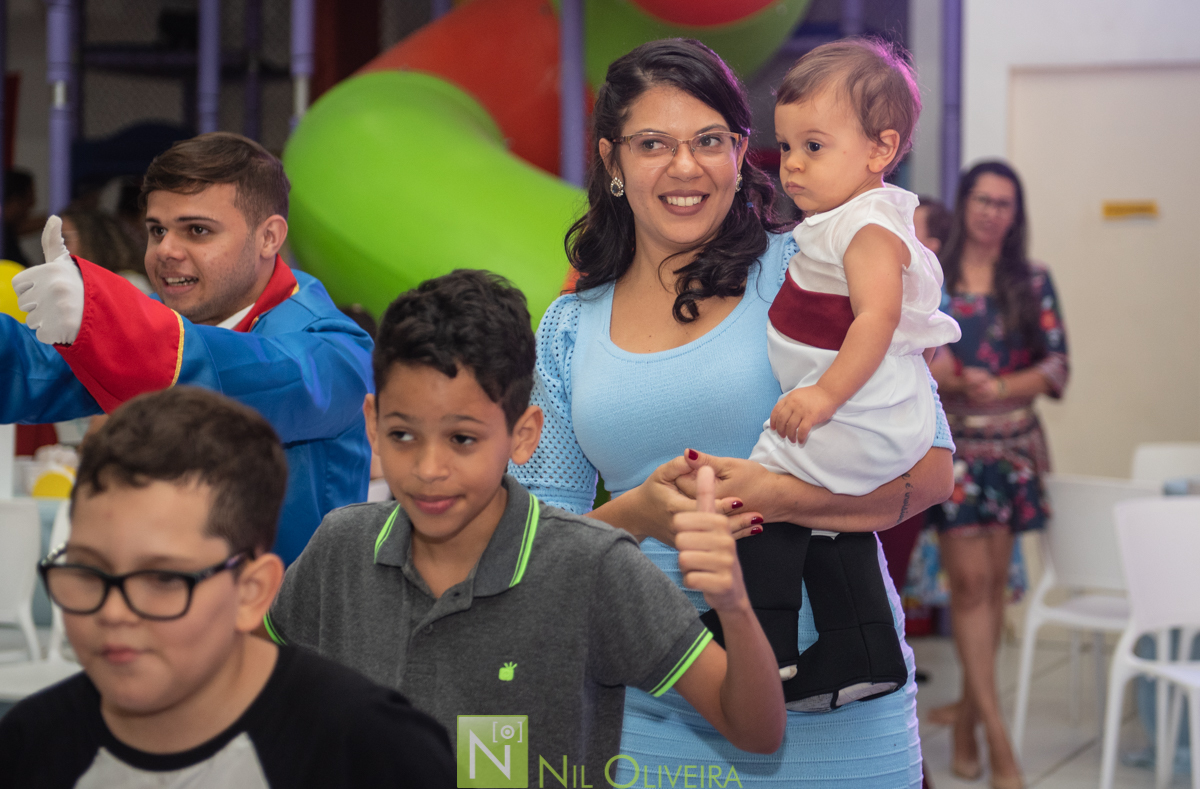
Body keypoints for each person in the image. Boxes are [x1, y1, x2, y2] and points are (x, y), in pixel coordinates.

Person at [512, 38, 954, 787]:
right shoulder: (566, 327)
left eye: (709, 141)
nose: (685, 167)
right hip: (647, 698)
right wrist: (641, 517)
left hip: (836, 697)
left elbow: (933, 471)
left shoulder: (810, 268)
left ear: (742, 151)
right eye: (653, 144)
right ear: (612, 161)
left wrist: (785, 495)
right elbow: (539, 542)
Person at [262, 270, 785, 786]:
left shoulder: (595, 566)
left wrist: (733, 606)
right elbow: (247, 679)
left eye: (462, 439)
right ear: (372, 422)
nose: (428, 468)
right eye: (402, 434)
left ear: (524, 434)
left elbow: (757, 730)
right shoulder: (340, 548)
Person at [0, 386, 455, 788]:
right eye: (88, 570)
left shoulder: (373, 755)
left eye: (162, 579)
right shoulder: (27, 748)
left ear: (251, 592)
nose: (114, 613)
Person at [706, 38, 958, 711]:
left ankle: (765, 644)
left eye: (814, 147)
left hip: (853, 410)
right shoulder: (844, 219)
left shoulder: (868, 227)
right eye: (786, 147)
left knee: (759, 496)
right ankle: (865, 644)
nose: (792, 166)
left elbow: (875, 320)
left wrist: (823, 395)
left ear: (880, 150)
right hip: (854, 410)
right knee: (822, 517)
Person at [0, 132, 374, 564]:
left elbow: (250, 383)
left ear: (269, 238)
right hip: (170, 602)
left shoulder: (334, 346)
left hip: (283, 624)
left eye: (197, 230)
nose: (166, 251)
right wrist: (100, 328)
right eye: (156, 230)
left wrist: (104, 317)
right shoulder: (164, 320)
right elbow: (34, 368)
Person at [927, 160, 1069, 789]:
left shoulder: (1032, 280)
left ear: (1016, 215)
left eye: (1004, 203)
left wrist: (1003, 384)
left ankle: (966, 725)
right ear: (966, 205)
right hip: (954, 450)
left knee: (991, 589)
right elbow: (909, 356)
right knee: (970, 588)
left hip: (1012, 452)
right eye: (982, 200)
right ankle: (1000, 743)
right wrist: (951, 378)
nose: (992, 212)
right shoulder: (933, 277)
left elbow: (1059, 366)